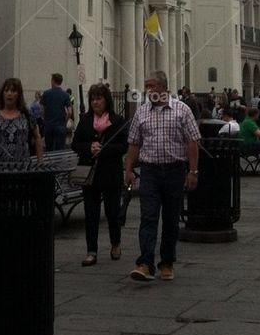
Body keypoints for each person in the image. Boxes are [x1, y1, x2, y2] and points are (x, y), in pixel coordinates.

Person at [124, 71, 200, 282]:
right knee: (148, 216)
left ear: (163, 88)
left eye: (151, 86)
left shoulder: (182, 110)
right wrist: (128, 169)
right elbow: (134, 143)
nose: (148, 91)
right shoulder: (141, 112)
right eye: (146, 86)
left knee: (170, 219)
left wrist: (193, 171)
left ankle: (167, 261)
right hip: (150, 171)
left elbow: (192, 143)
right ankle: (145, 263)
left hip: (175, 170)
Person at [71, 82, 128, 266]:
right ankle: (91, 251)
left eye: (99, 98)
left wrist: (103, 149)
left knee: (112, 212)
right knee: (91, 213)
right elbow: (75, 143)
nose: (96, 102)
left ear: (106, 100)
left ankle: (115, 243)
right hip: (90, 174)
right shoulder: (86, 120)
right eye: (93, 99)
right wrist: (89, 147)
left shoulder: (117, 120)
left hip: (110, 173)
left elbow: (123, 146)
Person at [0, 77, 43, 167]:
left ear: (19, 94)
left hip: (22, 167)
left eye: (13, 91)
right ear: (2, 93)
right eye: (6, 90)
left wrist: (40, 162)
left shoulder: (26, 113)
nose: (9, 94)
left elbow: (37, 137)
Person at [41, 73, 72, 151]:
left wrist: (44, 119)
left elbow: (42, 109)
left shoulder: (46, 93)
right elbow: (70, 112)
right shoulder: (66, 95)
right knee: (60, 150)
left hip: (48, 125)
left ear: (53, 81)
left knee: (49, 149)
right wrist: (65, 121)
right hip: (60, 126)